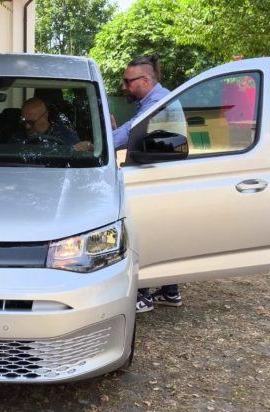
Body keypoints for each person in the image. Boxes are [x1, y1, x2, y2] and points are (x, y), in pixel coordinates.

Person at [112, 56, 181, 313]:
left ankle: (142, 295)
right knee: (163, 233)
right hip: (163, 178)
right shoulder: (158, 99)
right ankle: (170, 291)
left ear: (144, 80)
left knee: (141, 234)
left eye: (127, 81)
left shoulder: (157, 103)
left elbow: (131, 132)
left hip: (153, 178)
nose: (124, 87)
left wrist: (101, 141)